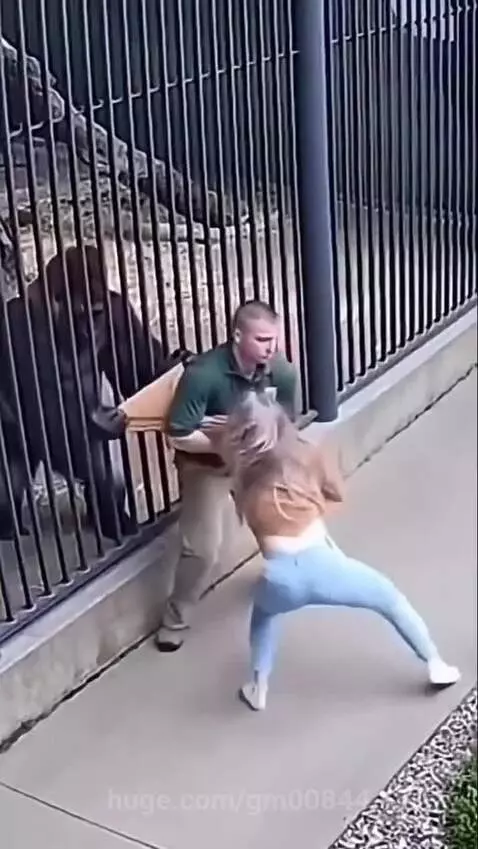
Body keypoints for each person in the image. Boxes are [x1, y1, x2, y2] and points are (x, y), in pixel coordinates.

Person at [221, 390, 461, 711]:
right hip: (323, 564)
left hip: (278, 575)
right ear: (282, 421)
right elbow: (336, 493)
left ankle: (258, 686)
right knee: (389, 599)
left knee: (264, 617)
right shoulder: (307, 454)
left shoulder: (241, 482)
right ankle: (435, 663)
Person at [155, 300, 297, 651]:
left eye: (275, 339)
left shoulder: (281, 371)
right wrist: (228, 442)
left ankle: (284, 579)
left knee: (280, 521)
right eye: (263, 340)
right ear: (237, 336)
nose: (272, 348)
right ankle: (175, 619)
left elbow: (285, 423)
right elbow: (178, 433)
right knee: (202, 549)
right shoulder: (203, 374)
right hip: (207, 466)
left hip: (255, 460)